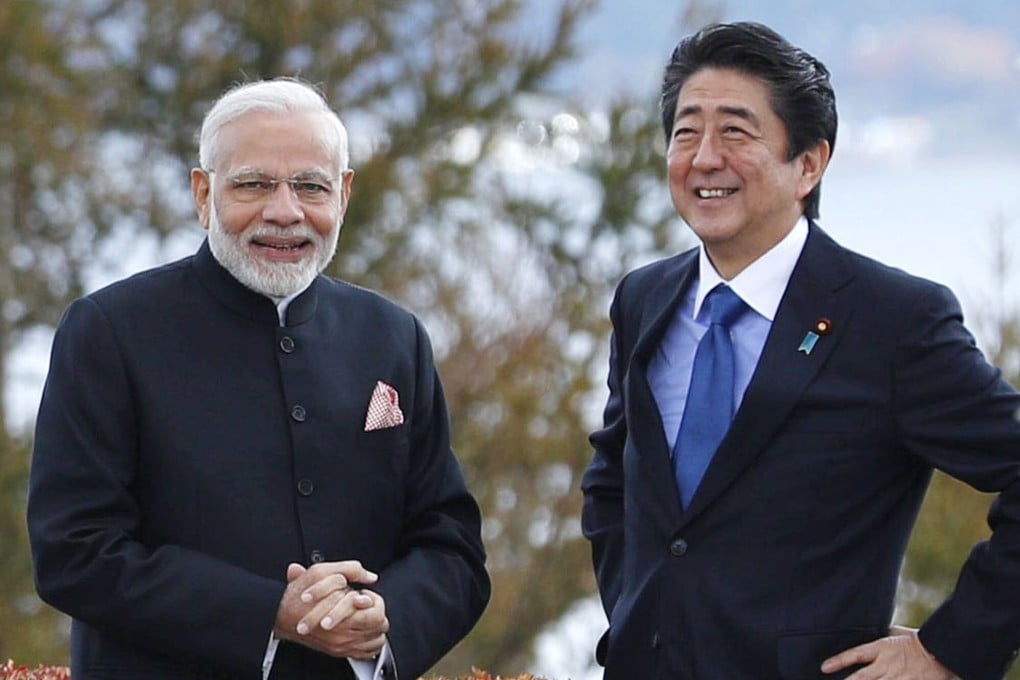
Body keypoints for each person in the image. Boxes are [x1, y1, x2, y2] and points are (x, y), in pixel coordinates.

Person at [581, 21, 1020, 680]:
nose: (704, 157)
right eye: (686, 131)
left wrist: (949, 647)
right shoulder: (645, 300)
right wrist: (635, 608)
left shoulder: (893, 320)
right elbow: (614, 478)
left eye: (735, 131)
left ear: (808, 164)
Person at [28, 77, 490, 680]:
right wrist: (267, 612)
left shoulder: (393, 335)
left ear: (343, 194)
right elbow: (74, 551)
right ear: (203, 193)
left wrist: (386, 617)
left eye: (310, 186)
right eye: (253, 184)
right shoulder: (109, 331)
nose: (284, 211)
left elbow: (451, 544)